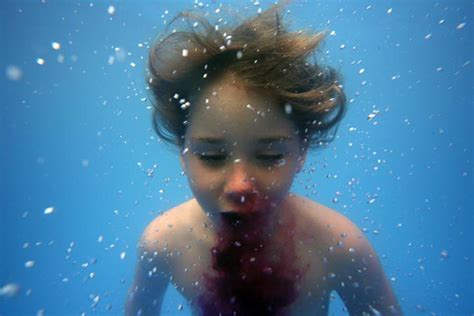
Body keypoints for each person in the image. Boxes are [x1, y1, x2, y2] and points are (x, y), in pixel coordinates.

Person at [125, 3, 402, 315]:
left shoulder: (340, 247)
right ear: (183, 153)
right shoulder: (162, 244)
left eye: (270, 157)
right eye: (212, 156)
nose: (240, 185)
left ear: (301, 153)